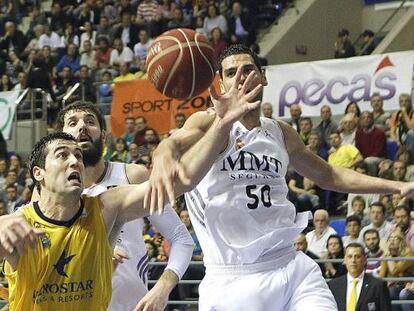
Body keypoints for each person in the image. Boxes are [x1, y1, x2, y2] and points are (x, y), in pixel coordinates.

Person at [148, 44, 414, 311]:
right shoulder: (208, 123)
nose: (240, 76)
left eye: (248, 69)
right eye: (231, 72)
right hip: (234, 277)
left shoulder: (281, 133)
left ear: (263, 77)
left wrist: (397, 186)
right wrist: (162, 154)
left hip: (291, 267)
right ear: (221, 83)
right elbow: (174, 142)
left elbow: (329, 174)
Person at [0, 78, 260, 310]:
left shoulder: (108, 204)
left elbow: (182, 180)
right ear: (38, 173)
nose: (74, 161)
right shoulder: (17, 222)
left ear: (103, 135)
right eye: (63, 155)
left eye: (78, 156)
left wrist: (222, 125)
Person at [54, 102, 191, 311]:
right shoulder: (51, 192)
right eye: (73, 123)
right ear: (59, 142)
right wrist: (98, 249)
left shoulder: (132, 175)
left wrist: (162, 288)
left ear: (104, 136)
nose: (82, 126)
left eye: (90, 121)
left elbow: (181, 238)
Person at [328, 243, 392, 311]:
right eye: (350, 257)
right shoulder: (333, 285)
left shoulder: (378, 285)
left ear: (364, 260)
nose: (353, 260)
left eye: (357, 256)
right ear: (345, 260)